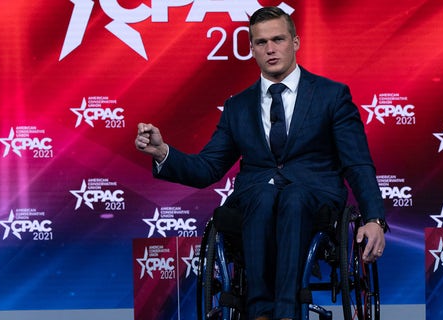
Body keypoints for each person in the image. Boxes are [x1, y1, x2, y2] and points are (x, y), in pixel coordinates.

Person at [134, 6, 387, 320]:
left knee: (293, 197)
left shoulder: (331, 96)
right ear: (251, 48)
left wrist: (374, 218)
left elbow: (358, 163)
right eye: (261, 42)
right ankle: (261, 313)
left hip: (315, 200)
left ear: (294, 42)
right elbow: (208, 168)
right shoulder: (237, 106)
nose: (270, 49)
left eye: (278, 39)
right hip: (256, 201)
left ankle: (284, 314)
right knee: (264, 196)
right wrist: (162, 152)